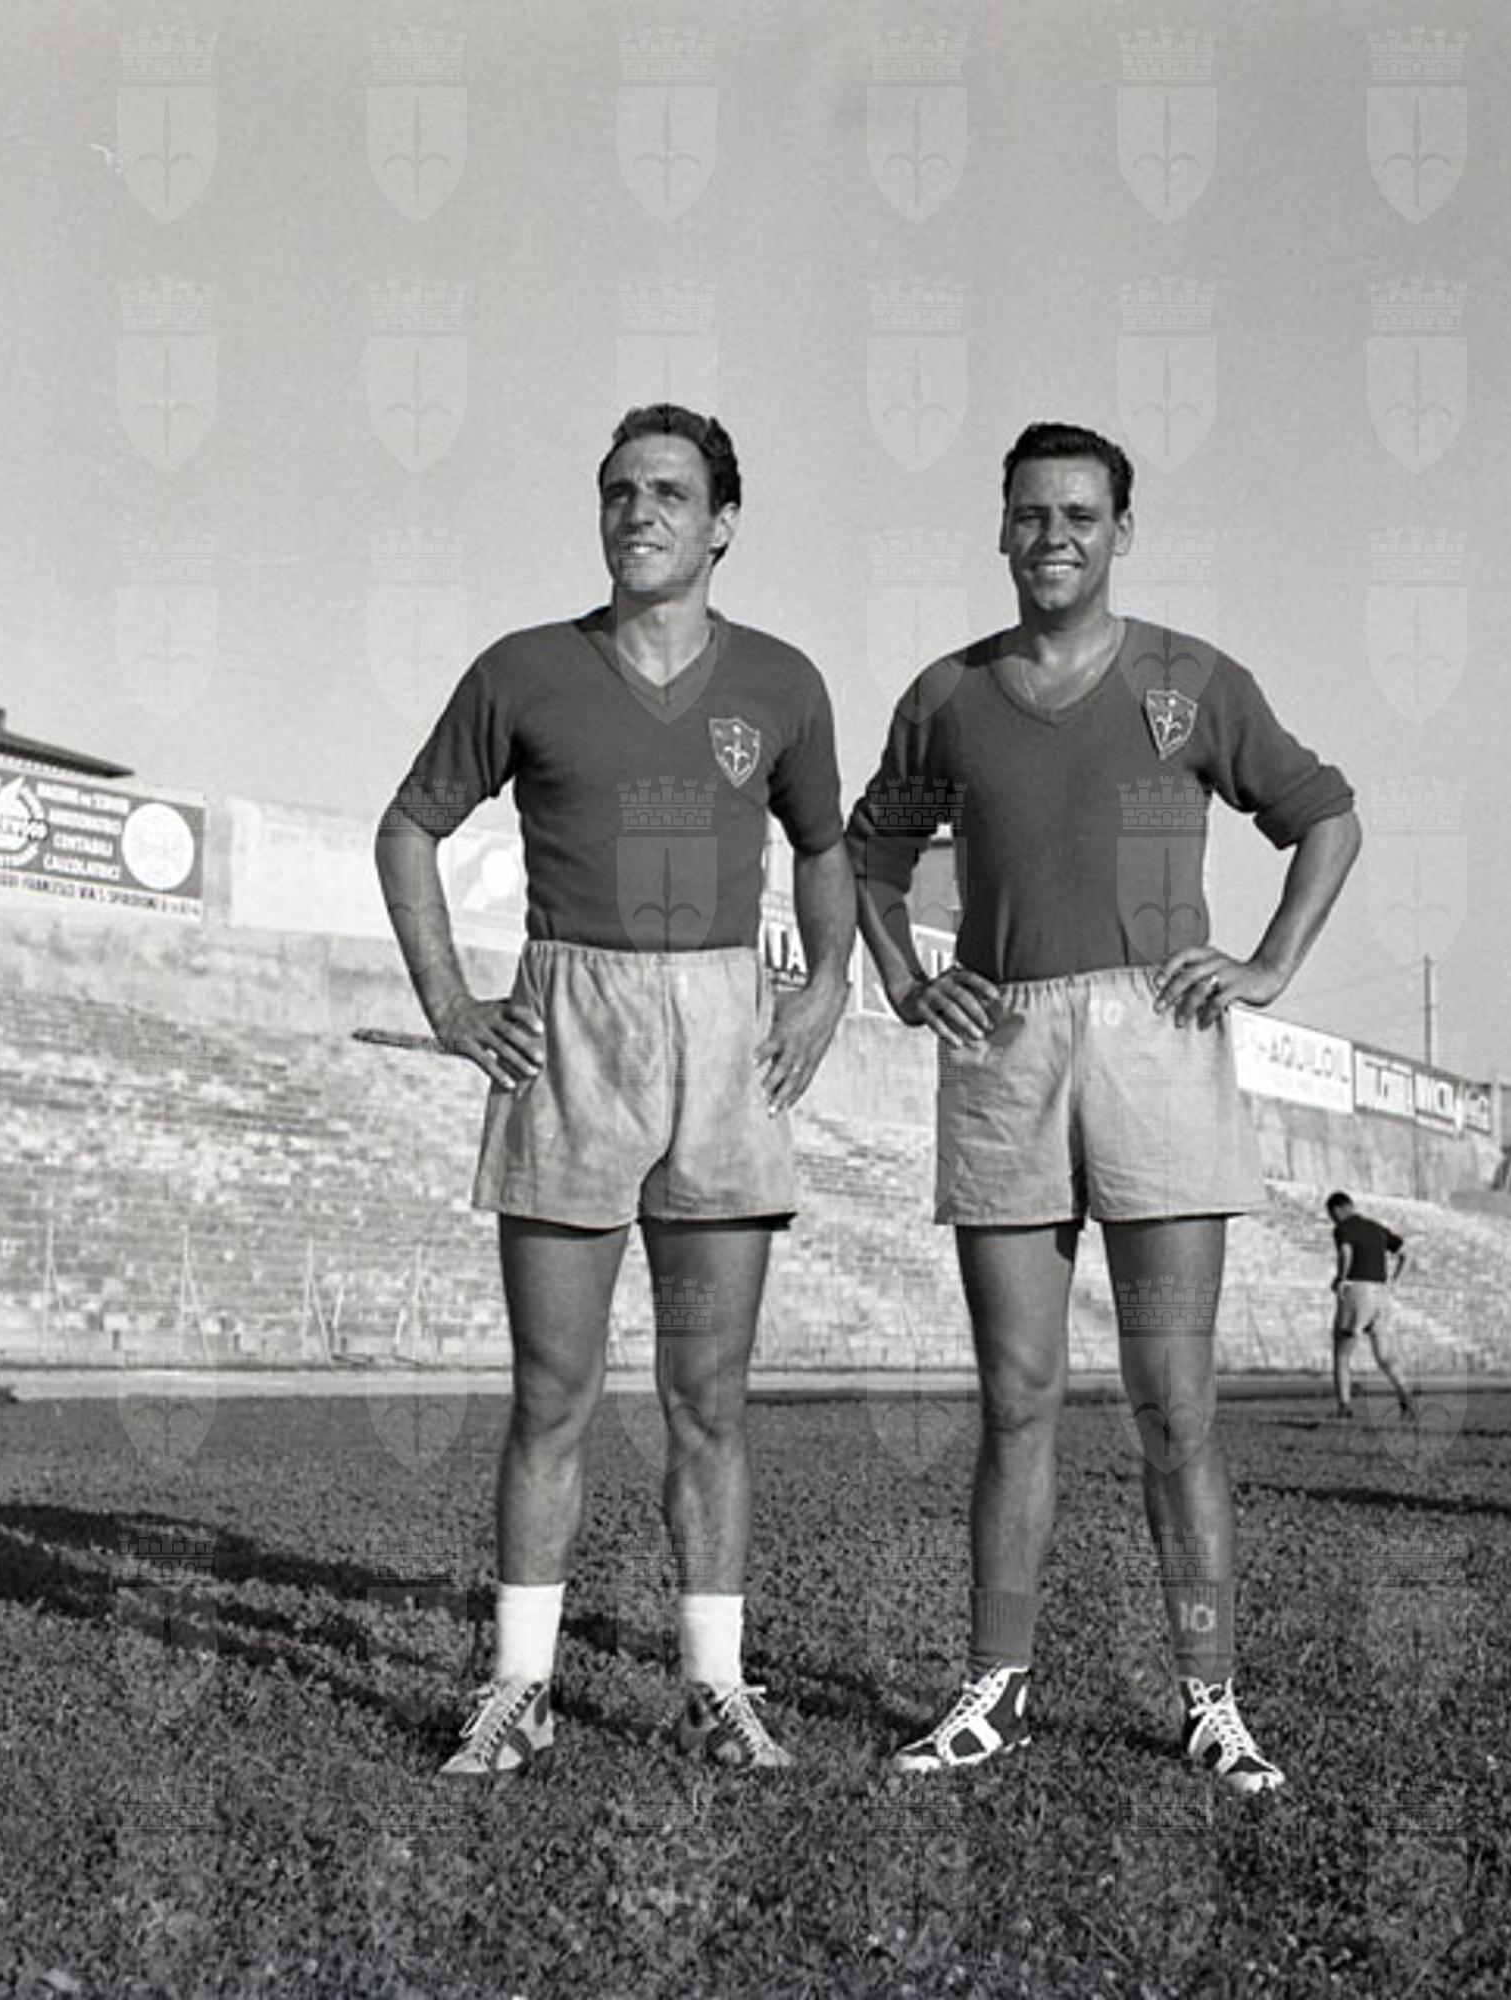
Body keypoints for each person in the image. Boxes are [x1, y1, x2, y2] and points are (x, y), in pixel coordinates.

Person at [847, 421, 1360, 1793]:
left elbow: (1325, 815)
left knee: (1172, 1403)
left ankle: (1209, 1698)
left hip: (1157, 1037)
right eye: (1029, 515)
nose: (1052, 537)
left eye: (1079, 515)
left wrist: (1267, 963)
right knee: (1015, 1396)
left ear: (1120, 530)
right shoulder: (948, 695)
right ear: (999, 528)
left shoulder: (1190, 681)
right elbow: (865, 853)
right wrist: (903, 979)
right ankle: (994, 1687)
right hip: (1005, 1038)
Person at [375, 405, 855, 1775]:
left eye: (668, 492)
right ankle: (519, 1687)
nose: (637, 511)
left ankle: (714, 1688)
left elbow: (823, 846)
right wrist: (451, 1004)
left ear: (721, 524)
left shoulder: (782, 682)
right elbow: (407, 827)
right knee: (553, 1391)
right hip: (571, 1029)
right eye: (617, 491)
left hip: (721, 1033)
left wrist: (827, 984)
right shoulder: (524, 668)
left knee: (709, 1398)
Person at [1326, 1191, 1416, 1421]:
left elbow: (1346, 1251)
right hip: (1381, 1295)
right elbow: (1406, 1254)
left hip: (1358, 1290)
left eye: (1332, 1215)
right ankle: (1405, 1395)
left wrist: (1341, 1278)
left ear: (1338, 1210)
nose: (1332, 1220)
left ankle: (1344, 1407)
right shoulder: (1377, 1228)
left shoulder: (1344, 1228)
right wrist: (1394, 1283)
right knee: (1385, 1355)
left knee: (1342, 1354)